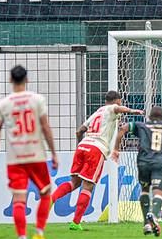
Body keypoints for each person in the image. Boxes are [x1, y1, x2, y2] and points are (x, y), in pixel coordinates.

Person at [50, 90, 143, 231]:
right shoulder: (112, 109)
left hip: (82, 146)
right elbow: (117, 109)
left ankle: (51, 199)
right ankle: (75, 222)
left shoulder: (96, 113)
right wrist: (132, 111)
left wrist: (84, 143)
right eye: (120, 102)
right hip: (96, 149)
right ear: (117, 100)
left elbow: (79, 131)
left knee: (74, 182)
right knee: (88, 186)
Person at [0, 65, 58, 239]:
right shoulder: (37, 100)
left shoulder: (3, 104)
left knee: (19, 198)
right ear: (27, 79)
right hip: (36, 154)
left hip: (15, 158)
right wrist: (53, 153)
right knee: (46, 194)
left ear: (10, 80)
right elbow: (45, 127)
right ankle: (39, 234)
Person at [116, 106, 162, 236]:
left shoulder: (142, 125)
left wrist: (116, 148)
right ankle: (153, 215)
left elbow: (124, 128)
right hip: (161, 162)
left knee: (145, 190)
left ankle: (147, 224)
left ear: (150, 117)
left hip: (144, 162)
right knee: (158, 192)